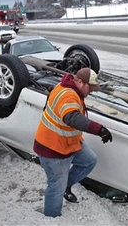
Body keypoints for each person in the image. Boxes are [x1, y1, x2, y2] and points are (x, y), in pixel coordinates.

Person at [33, 68, 113, 217]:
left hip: (68, 143)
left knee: (89, 160)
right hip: (53, 149)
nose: (92, 92)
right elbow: (72, 117)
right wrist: (99, 129)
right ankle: (52, 218)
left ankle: (66, 186)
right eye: (91, 88)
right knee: (56, 186)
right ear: (80, 82)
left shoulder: (67, 87)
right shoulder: (69, 95)